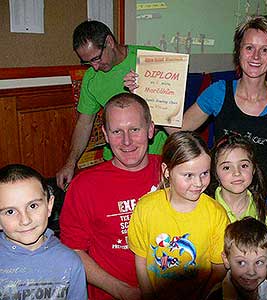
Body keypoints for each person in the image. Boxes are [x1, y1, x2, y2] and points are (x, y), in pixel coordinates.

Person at [125, 16, 267, 225]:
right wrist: (148, 95)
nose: (256, 56)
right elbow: (181, 130)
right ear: (239, 51)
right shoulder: (218, 92)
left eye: (265, 50)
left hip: (264, 207)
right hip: (219, 206)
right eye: (249, 47)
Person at [59, 93, 162, 300]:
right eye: (117, 131)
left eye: (135, 129)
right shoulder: (84, 186)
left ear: (150, 129)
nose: (126, 141)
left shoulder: (172, 171)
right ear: (105, 134)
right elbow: (73, 251)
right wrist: (120, 290)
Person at [56, 20, 165, 189]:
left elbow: (172, 109)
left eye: (96, 58)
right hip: (116, 161)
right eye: (87, 63)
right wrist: (70, 162)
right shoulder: (91, 79)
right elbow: (84, 123)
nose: (94, 66)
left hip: (158, 159)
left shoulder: (152, 58)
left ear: (109, 42)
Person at [128, 131, 229, 300]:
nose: (198, 183)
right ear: (167, 171)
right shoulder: (145, 208)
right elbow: (141, 259)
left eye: (204, 173)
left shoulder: (216, 214)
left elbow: (219, 268)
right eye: (188, 175)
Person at [0, 164, 87, 299]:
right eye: (10, 211)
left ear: (49, 205)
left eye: (33, 206)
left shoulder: (70, 262)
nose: (25, 220)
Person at [210, 133, 267, 238]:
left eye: (244, 165)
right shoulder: (207, 209)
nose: (237, 173)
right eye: (227, 167)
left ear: (253, 169)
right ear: (215, 172)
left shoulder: (261, 214)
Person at [206, 217, 267, 300]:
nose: (251, 272)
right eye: (241, 262)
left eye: (259, 262)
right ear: (226, 260)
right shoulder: (215, 296)